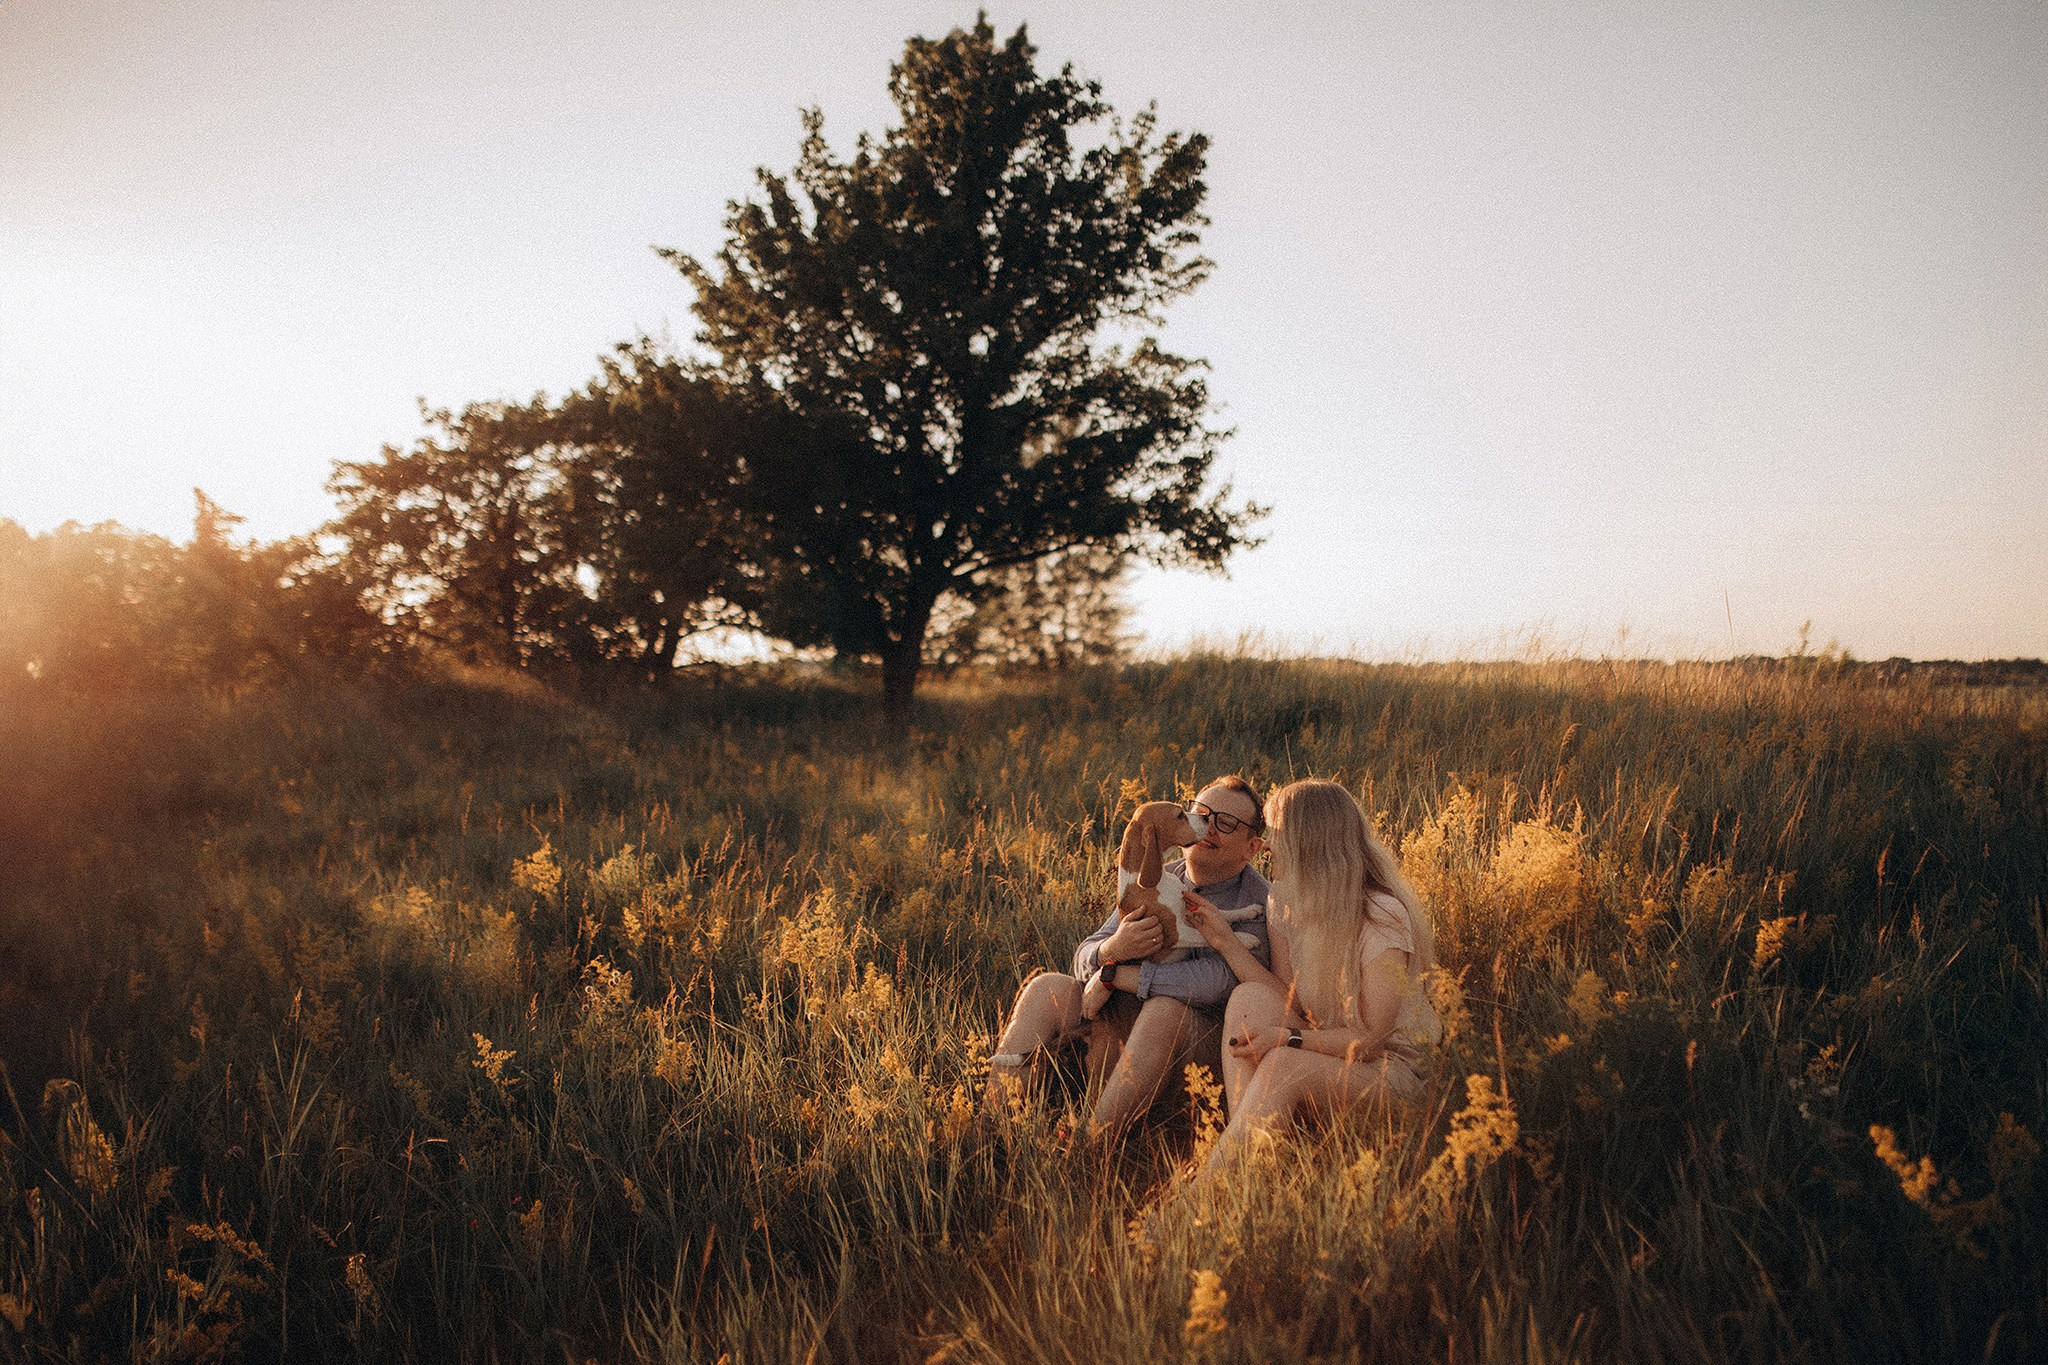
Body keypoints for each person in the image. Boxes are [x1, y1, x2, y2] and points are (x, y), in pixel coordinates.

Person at [986, 776, 1272, 1142]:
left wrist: (1119, 977)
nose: (1208, 827)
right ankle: (992, 1130)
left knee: (1166, 1008)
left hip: (1203, 1053)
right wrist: (1112, 951)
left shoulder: (1260, 902)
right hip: (1130, 1036)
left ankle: (1090, 1147)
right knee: (1048, 988)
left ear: (1251, 847)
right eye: (1201, 813)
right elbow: (1086, 954)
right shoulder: (1160, 877)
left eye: (1227, 823)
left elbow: (1220, 981)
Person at [1181, 778, 1439, 1171]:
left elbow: (1370, 1041)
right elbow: (1286, 998)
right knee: (1249, 998)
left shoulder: (1380, 913)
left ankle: (1192, 1208)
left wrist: (1288, 1038)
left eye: (1277, 833)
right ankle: (1253, 1161)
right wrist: (1224, 941)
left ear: (1308, 840)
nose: (1267, 846)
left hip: (1390, 1073)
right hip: (1328, 1056)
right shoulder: (1283, 899)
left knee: (1282, 1063)